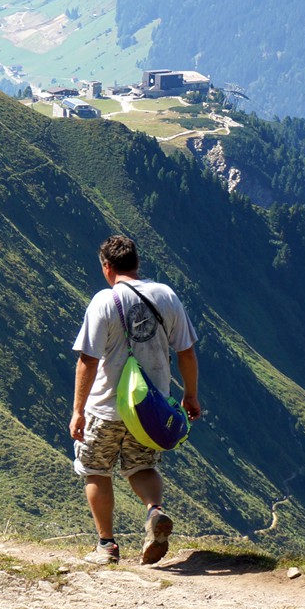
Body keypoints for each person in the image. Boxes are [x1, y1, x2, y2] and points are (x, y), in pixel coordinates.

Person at [70, 235, 202, 565]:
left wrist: (77, 411)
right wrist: (190, 395)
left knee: (96, 470)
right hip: (149, 411)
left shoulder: (103, 301)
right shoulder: (166, 296)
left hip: (106, 408)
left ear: (107, 267)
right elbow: (185, 351)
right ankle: (154, 511)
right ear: (136, 263)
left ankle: (107, 545)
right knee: (142, 466)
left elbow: (87, 359)